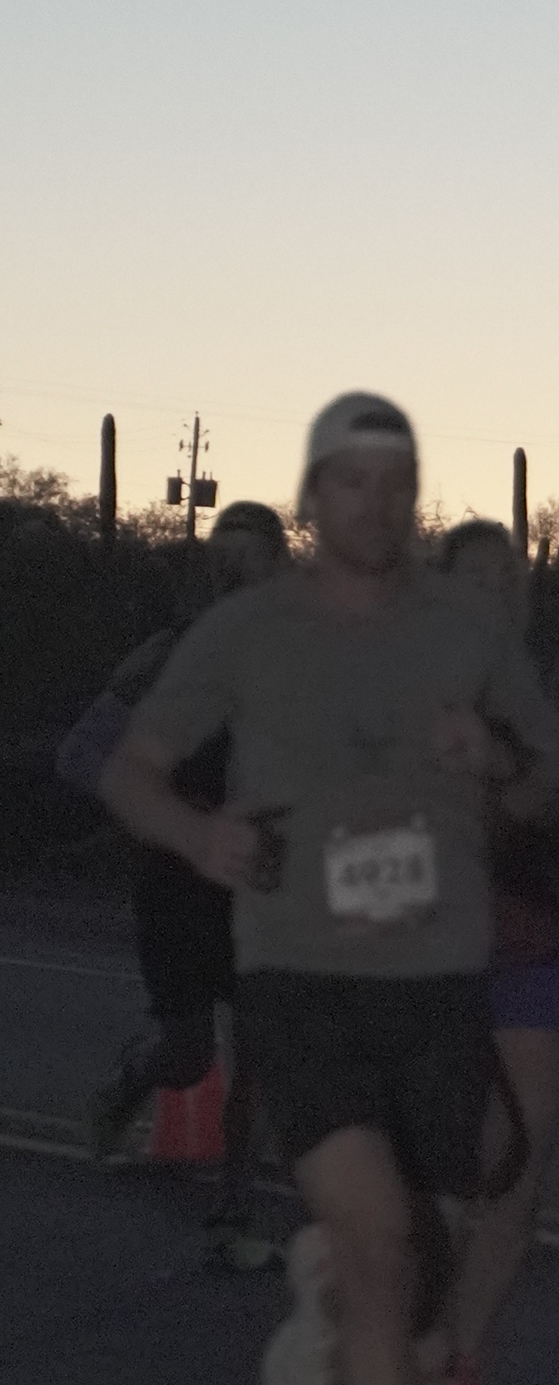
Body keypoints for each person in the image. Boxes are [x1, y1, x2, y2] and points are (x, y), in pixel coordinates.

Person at [99, 394, 559, 1385]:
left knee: (451, 1211)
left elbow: (554, 779)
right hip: (301, 970)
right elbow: (130, 767)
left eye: (394, 481)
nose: (373, 503)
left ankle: (333, 1293)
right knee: (379, 1245)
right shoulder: (247, 628)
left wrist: (500, 762)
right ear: (314, 497)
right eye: (349, 480)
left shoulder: (464, 630)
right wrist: (199, 834)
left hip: (435, 975)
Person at [60, 499, 290, 1263]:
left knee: (260, 1047)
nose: (236, 575)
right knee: (190, 1056)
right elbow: (81, 755)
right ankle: (129, 1084)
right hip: (177, 881)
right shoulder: (167, 654)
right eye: (225, 561)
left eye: (251, 559)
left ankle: (235, 1207)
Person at [420, 519, 559, 1385]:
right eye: (473, 578)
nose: (493, 592)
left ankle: (458, 1359)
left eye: (507, 579)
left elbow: (550, 813)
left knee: (523, 1161)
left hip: (525, 951)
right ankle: (403, 1329)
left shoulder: (538, 703)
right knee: (445, 1164)